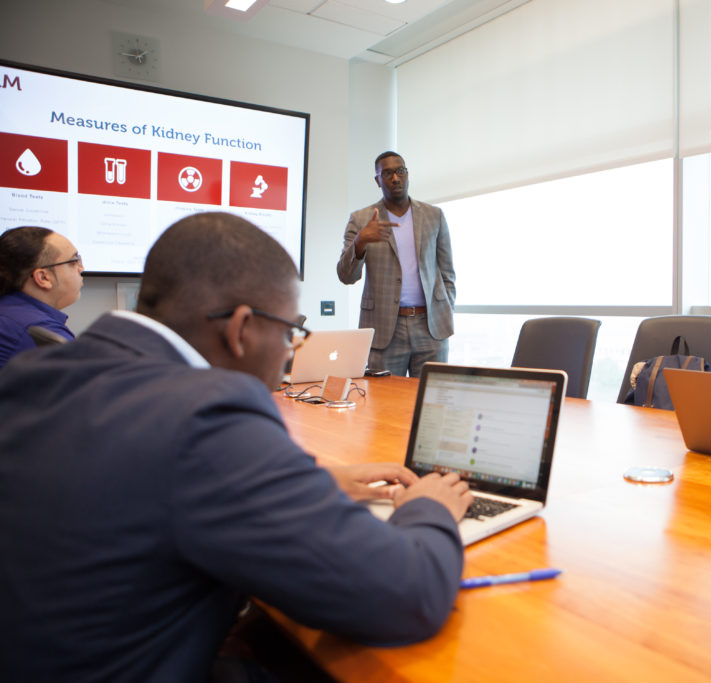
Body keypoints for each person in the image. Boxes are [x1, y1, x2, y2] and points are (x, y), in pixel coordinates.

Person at [0, 212, 473, 681]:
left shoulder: (41, 370)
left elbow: (136, 479)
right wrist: (426, 507)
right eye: (290, 333)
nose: (290, 352)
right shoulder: (207, 415)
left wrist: (308, 481)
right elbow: (406, 595)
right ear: (242, 328)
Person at [337, 151, 456, 377]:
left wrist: (446, 307)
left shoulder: (434, 215)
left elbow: (447, 271)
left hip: (432, 327)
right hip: (385, 330)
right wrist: (361, 240)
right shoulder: (361, 219)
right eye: (388, 173)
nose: (395, 178)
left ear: (407, 174)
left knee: (432, 403)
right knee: (384, 405)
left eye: (400, 171)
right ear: (378, 180)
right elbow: (345, 276)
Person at [0, 226, 83, 368]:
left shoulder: (9, 313)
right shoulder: (38, 331)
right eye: (73, 261)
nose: (81, 268)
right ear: (43, 277)